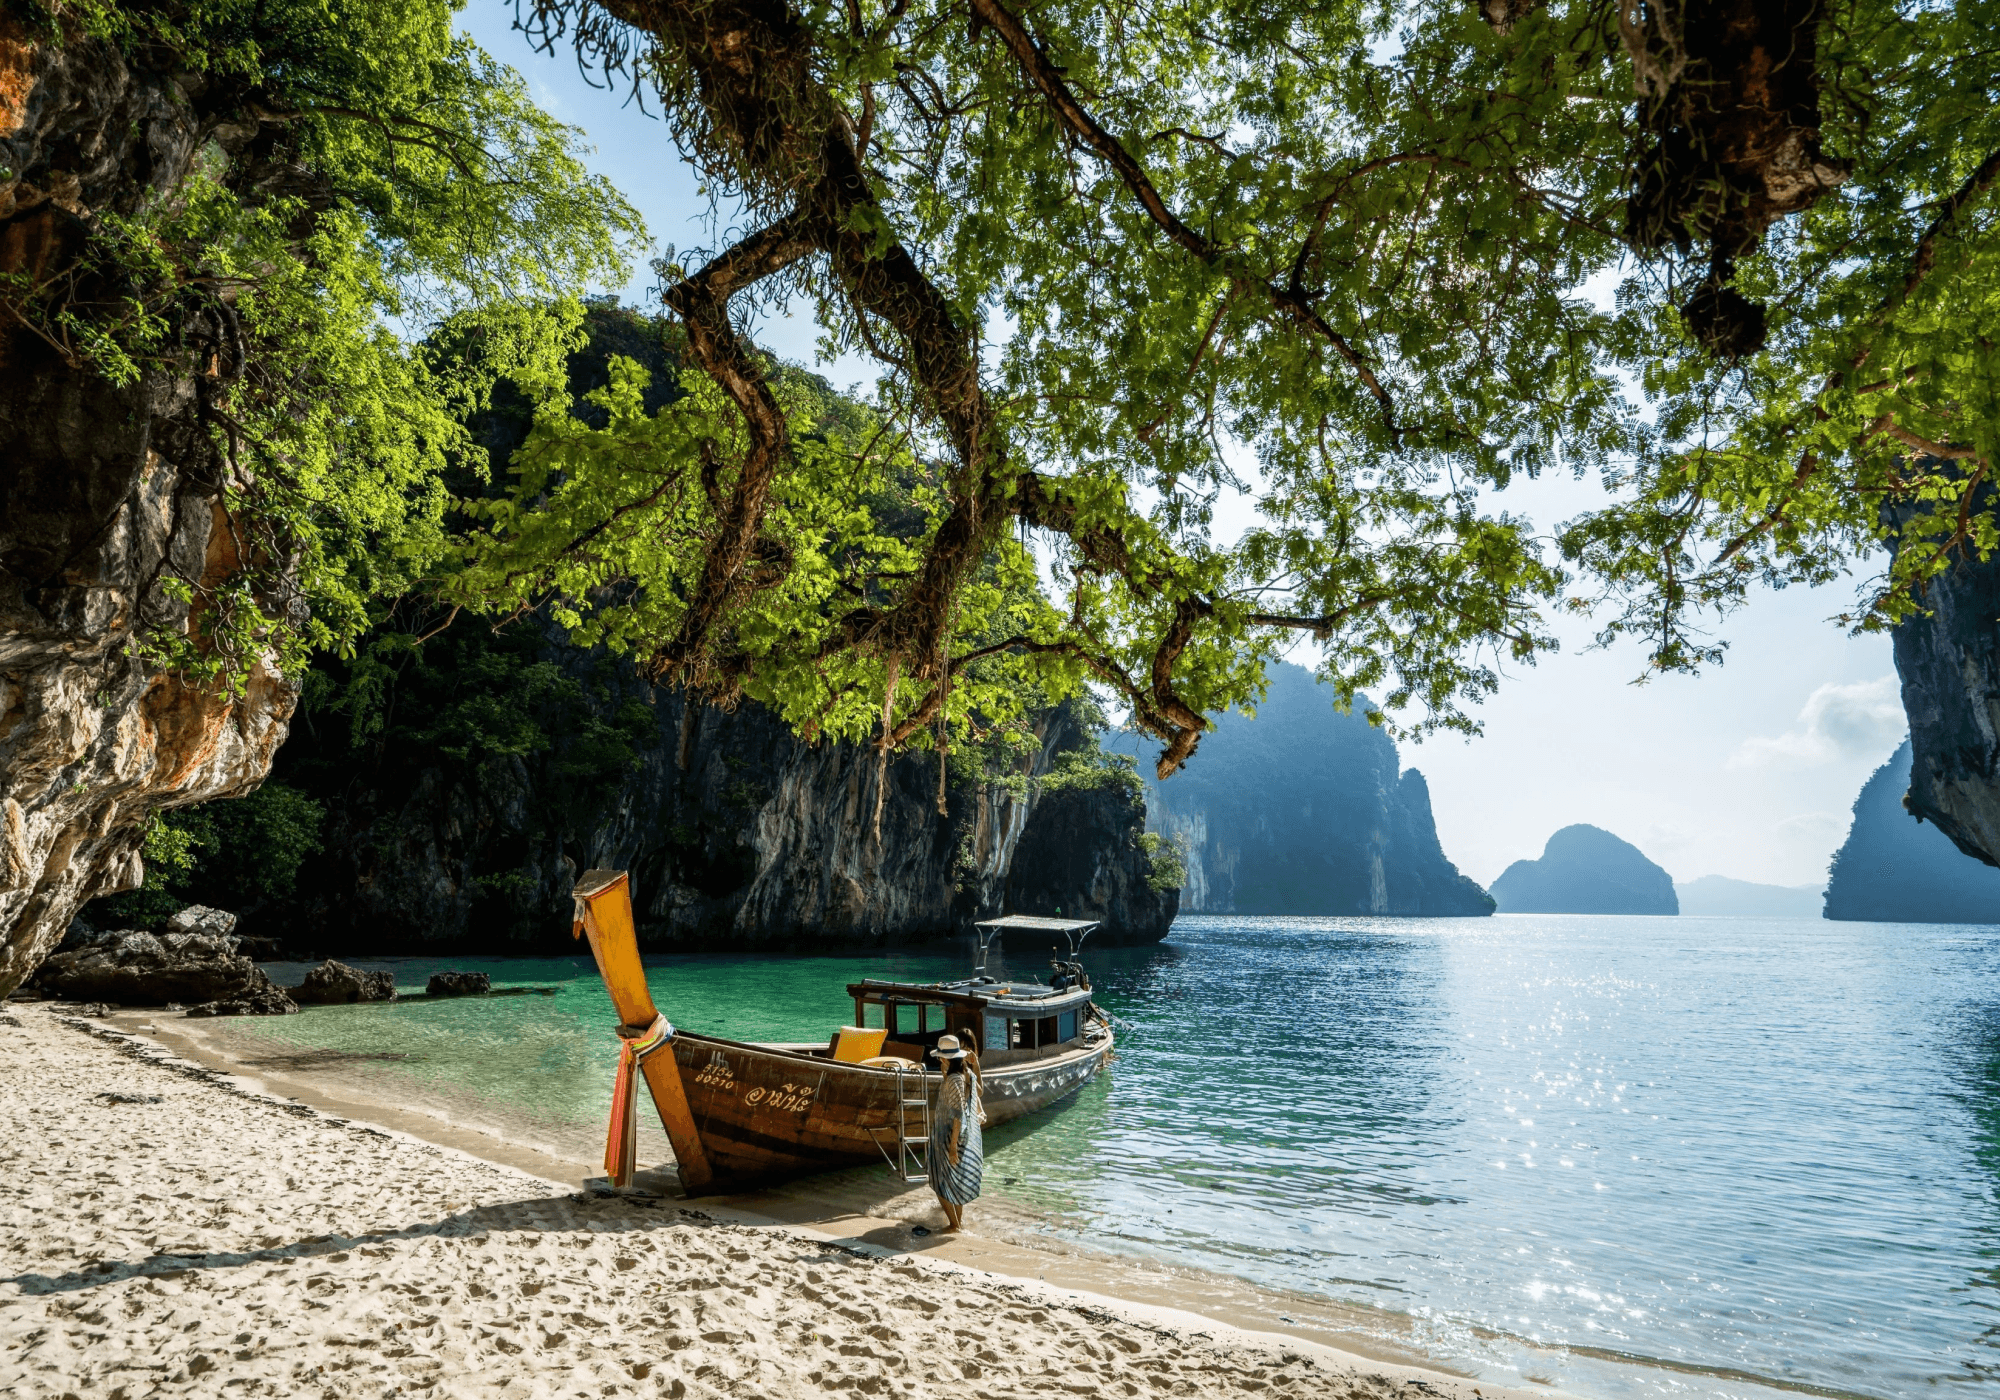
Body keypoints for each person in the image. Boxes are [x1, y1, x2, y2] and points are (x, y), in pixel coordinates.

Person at [928, 1033, 983, 1230]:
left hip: (949, 1136)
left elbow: (958, 1113)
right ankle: (957, 1223)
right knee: (955, 1180)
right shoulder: (960, 1075)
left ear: (945, 1058)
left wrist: (952, 1147)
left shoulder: (953, 1080)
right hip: (956, 1135)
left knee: (939, 1182)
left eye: (941, 1057)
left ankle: (954, 1224)